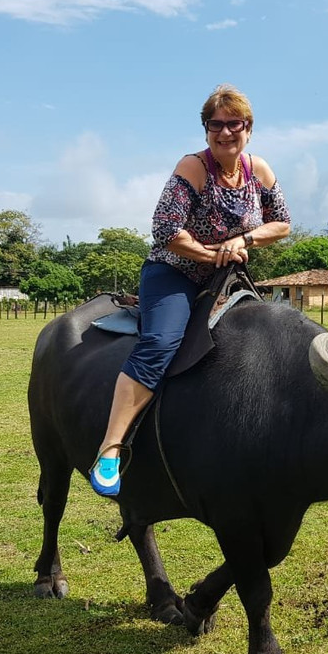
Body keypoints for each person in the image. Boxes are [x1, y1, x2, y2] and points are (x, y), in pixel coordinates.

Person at [89, 84, 292, 496]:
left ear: (248, 128)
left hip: (227, 274)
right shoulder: (193, 168)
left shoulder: (260, 171)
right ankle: (110, 447)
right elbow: (165, 230)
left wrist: (246, 241)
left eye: (233, 124)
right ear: (205, 131)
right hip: (175, 272)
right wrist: (208, 254)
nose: (224, 132)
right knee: (161, 343)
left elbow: (283, 223)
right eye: (214, 125)